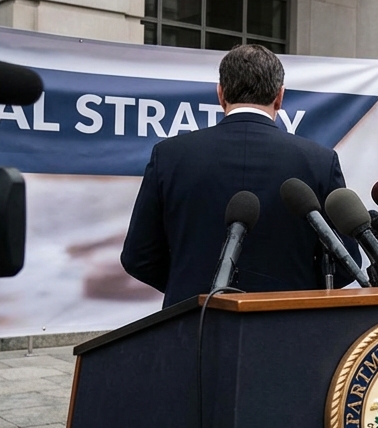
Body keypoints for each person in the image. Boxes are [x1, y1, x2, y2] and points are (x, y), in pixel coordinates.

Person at [121, 44, 360, 307]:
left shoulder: (169, 155)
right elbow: (346, 263)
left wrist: (189, 286)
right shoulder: (319, 161)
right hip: (290, 325)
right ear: (280, 97)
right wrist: (297, 290)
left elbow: (139, 257)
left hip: (192, 322)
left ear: (220, 93)